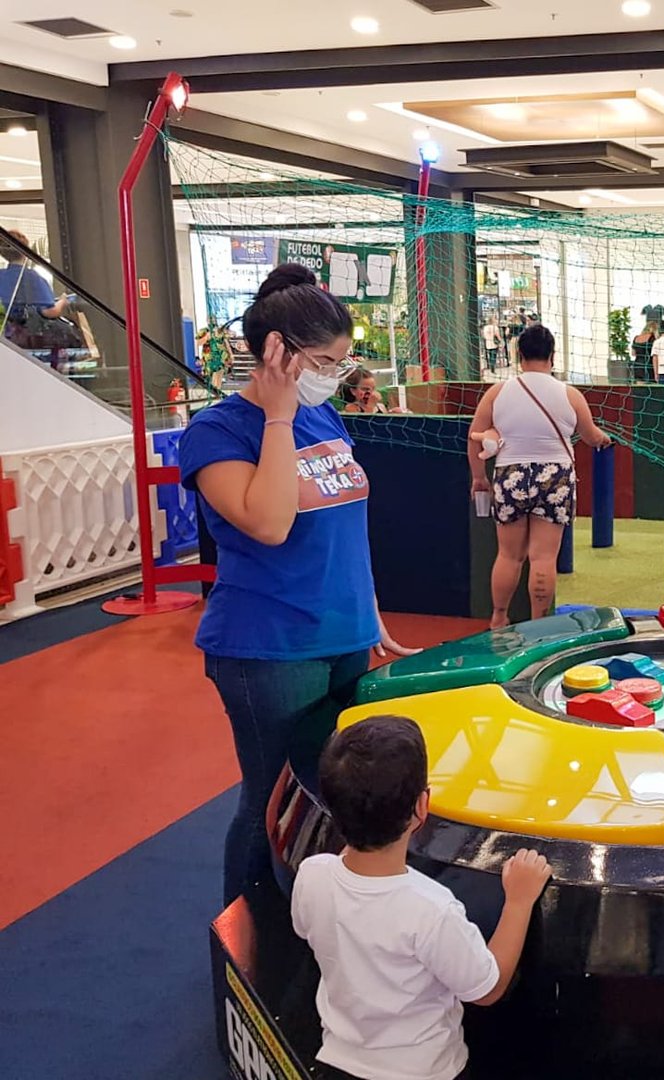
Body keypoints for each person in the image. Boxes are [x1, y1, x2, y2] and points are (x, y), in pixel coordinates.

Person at [178, 264, 417, 906]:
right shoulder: (218, 431)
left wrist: (368, 609)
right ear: (277, 352)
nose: (334, 376)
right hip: (270, 646)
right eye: (323, 362)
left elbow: (346, 524)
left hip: (343, 635)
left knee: (331, 793)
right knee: (273, 796)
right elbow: (270, 523)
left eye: (341, 363)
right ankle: (248, 928)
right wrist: (278, 417)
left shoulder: (324, 417)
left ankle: (317, 917)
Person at [294, 714, 551, 1080]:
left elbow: (308, 929)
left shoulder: (312, 873)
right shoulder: (431, 908)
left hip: (338, 1062)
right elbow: (487, 988)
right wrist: (519, 901)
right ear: (421, 806)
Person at [467, 324, 611, 628]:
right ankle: (539, 626)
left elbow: (474, 437)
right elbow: (590, 435)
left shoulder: (497, 393)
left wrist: (479, 478)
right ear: (552, 356)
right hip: (555, 476)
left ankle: (498, 618)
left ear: (519, 355)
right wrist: (603, 439)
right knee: (543, 558)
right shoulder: (570, 395)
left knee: (508, 555)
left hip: (511, 474)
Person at [0, 231, 69, 321]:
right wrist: (62, 301)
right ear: (26, 253)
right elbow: (49, 311)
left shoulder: (1, 275)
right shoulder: (32, 278)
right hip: (26, 328)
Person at [631, 319, 657, 384]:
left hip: (637, 364)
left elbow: (633, 353)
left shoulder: (636, 338)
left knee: (639, 384)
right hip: (648, 364)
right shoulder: (652, 338)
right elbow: (655, 353)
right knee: (650, 386)